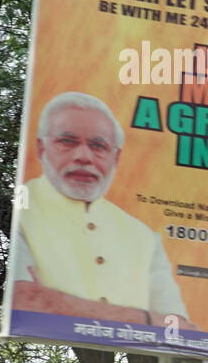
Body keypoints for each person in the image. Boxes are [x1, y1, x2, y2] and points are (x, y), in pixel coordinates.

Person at [11, 91, 196, 328]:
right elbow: (25, 303)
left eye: (98, 146)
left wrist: (58, 300)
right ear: (41, 148)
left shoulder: (143, 237)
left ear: (116, 158)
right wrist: (147, 319)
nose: (83, 157)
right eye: (67, 142)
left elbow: (180, 328)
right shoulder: (23, 210)